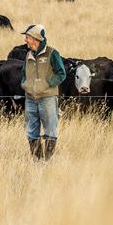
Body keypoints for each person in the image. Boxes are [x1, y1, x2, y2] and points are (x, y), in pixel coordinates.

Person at [20, 24, 66, 160]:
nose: (25, 40)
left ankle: (47, 161)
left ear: (36, 38)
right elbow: (24, 73)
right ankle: (37, 161)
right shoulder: (28, 54)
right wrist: (25, 84)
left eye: (27, 37)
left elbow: (61, 74)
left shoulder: (52, 53)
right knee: (31, 131)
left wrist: (47, 84)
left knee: (50, 131)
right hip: (30, 99)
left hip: (48, 99)